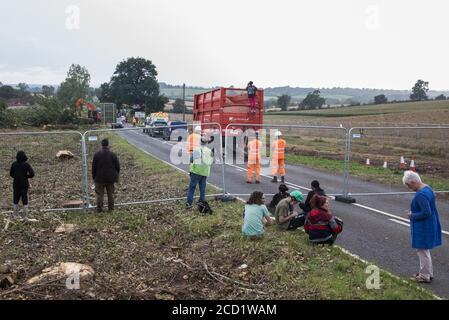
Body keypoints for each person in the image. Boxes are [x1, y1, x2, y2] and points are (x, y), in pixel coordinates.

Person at [402, 170, 442, 283]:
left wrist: (412, 215)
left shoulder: (420, 195)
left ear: (413, 182)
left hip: (423, 226)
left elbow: (426, 212)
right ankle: (428, 273)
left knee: (422, 251)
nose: (408, 187)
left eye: (408, 185)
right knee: (425, 251)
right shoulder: (427, 188)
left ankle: (424, 276)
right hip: (430, 223)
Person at [92, 138, 120, 213]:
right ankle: (111, 209)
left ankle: (99, 209)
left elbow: (93, 167)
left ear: (102, 145)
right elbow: (118, 166)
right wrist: (115, 175)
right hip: (110, 178)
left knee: (100, 195)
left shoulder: (97, 154)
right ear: (108, 145)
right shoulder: (113, 154)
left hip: (99, 178)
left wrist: (94, 177)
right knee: (110, 194)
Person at [186, 135, 213, 210]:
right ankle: (201, 204)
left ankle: (189, 204)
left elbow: (191, 159)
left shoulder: (197, 150)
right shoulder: (209, 151)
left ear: (200, 142)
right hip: (204, 172)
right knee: (202, 189)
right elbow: (211, 161)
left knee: (192, 188)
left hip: (195, 171)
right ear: (207, 142)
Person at [10, 151, 35, 220]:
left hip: (16, 184)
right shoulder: (26, 165)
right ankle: (25, 217)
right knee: (25, 200)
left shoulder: (14, 164)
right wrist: (26, 176)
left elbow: (11, 174)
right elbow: (32, 174)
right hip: (24, 184)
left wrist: (17, 177)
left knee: (15, 200)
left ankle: (16, 216)